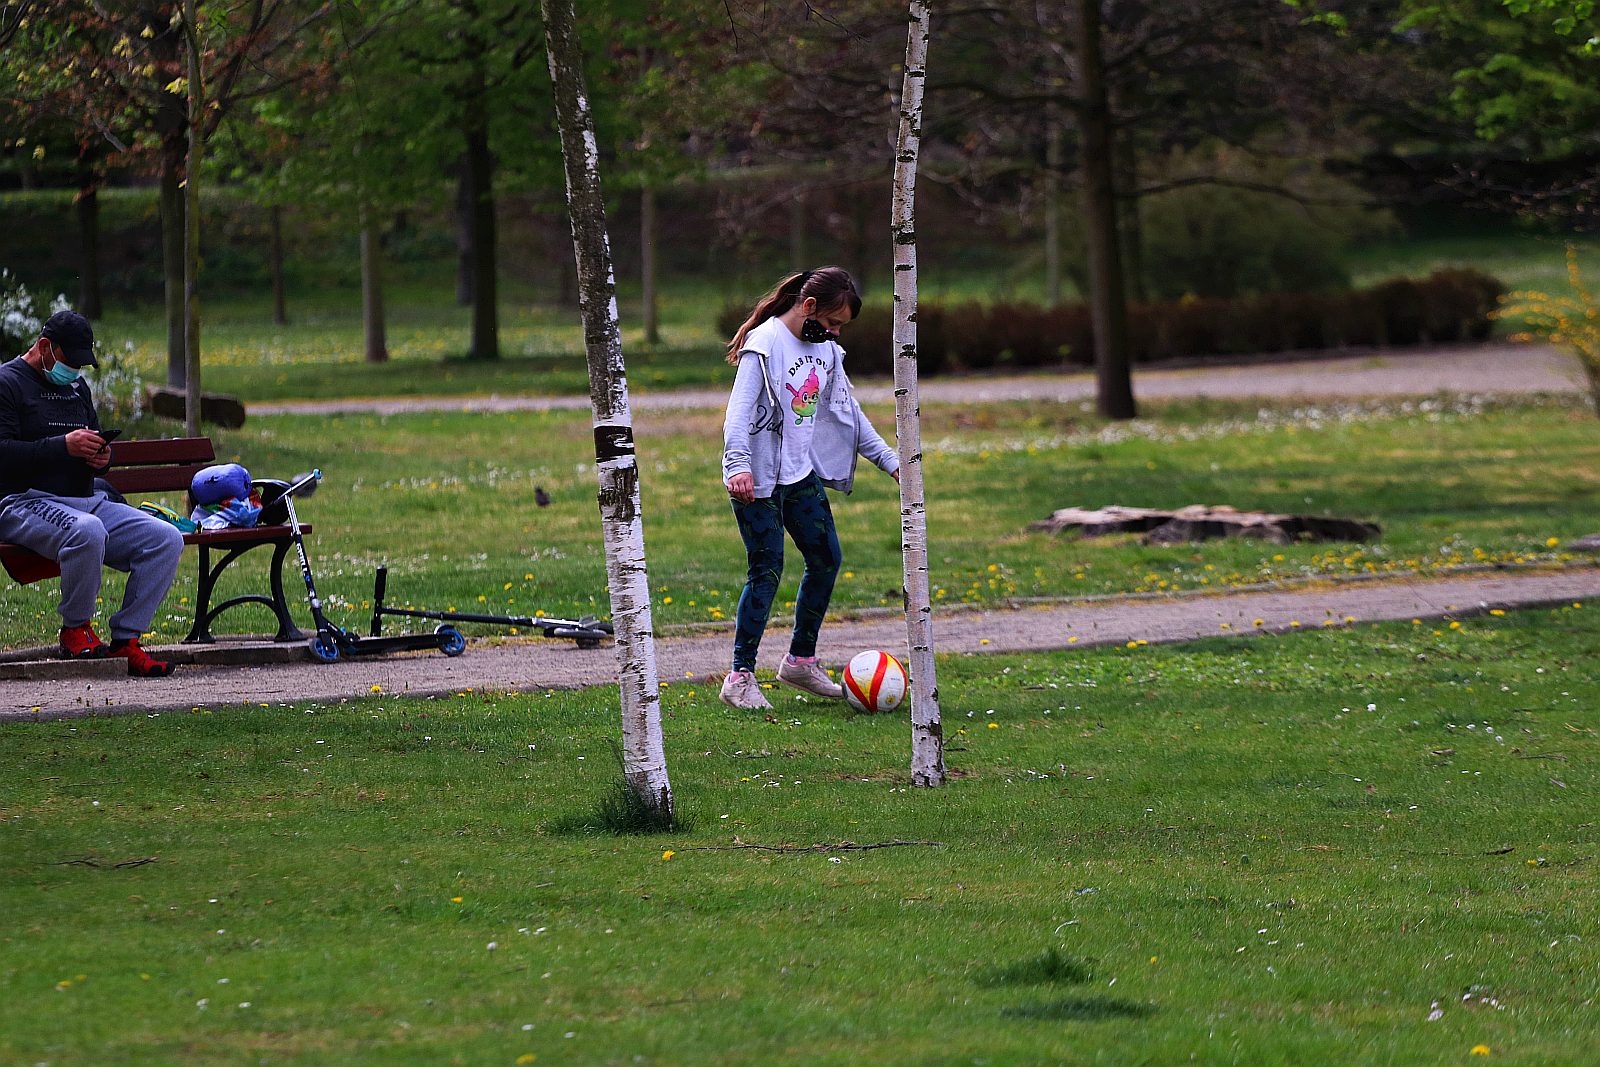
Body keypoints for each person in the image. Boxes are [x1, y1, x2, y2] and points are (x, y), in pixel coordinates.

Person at [719, 267, 899, 710]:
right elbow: (737, 415)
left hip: (800, 477)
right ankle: (739, 677)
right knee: (766, 571)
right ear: (810, 307)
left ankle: (800, 660)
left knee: (826, 558)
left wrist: (892, 462)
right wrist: (738, 465)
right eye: (834, 323)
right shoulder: (764, 345)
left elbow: (848, 415)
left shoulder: (827, 353)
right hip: (756, 480)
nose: (837, 333)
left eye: (843, 327)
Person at [0, 310, 183, 677]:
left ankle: (127, 640)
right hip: (25, 501)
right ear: (44, 347)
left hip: (88, 499)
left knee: (165, 539)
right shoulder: (7, 383)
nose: (76, 371)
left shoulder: (76, 388)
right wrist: (61, 447)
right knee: (87, 531)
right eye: (71, 362)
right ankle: (75, 629)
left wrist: (101, 458)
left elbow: (93, 441)